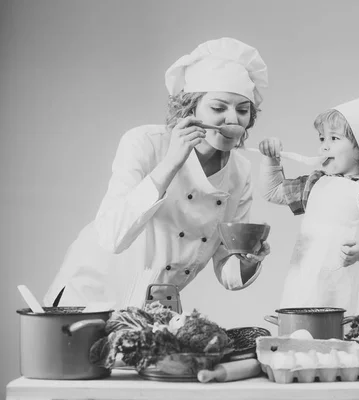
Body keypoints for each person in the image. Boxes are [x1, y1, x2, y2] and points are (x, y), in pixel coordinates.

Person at [44, 37, 271, 309]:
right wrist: (171, 163)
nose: (233, 119)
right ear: (191, 108)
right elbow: (111, 237)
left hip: (157, 308)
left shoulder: (240, 172)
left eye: (242, 110)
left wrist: (247, 260)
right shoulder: (145, 143)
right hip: (92, 297)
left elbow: (227, 269)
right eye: (218, 108)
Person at [258, 89, 359, 315]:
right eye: (322, 139)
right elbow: (273, 191)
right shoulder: (317, 182)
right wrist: (271, 159)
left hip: (347, 303)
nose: (323, 147)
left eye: (334, 139)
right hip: (301, 295)